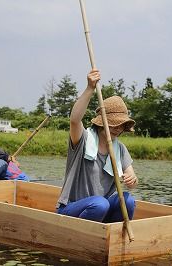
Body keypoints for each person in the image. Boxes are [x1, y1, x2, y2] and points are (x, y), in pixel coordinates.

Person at [56, 69, 138, 223]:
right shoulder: (83, 139)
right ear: (102, 123)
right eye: (114, 124)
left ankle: (113, 237)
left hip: (102, 210)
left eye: (121, 125)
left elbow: (132, 182)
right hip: (72, 209)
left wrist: (132, 180)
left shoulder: (119, 149)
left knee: (127, 200)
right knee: (99, 204)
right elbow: (74, 120)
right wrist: (90, 88)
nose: (118, 128)